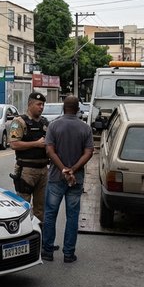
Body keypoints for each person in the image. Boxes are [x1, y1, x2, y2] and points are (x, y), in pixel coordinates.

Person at [42, 95, 94, 263]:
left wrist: (63, 168)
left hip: (57, 177)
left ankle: (48, 251)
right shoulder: (85, 128)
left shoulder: (54, 125)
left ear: (63, 108)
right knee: (72, 216)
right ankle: (69, 253)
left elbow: (50, 151)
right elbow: (89, 152)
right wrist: (73, 169)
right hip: (75, 179)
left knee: (50, 214)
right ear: (78, 109)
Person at [9, 92, 50, 223]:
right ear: (30, 104)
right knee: (23, 207)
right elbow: (14, 144)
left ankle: (40, 239)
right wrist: (36, 144)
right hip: (26, 170)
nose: (41, 107)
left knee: (41, 208)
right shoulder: (18, 122)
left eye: (43, 104)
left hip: (43, 169)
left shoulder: (44, 122)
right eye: (39, 104)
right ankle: (23, 238)